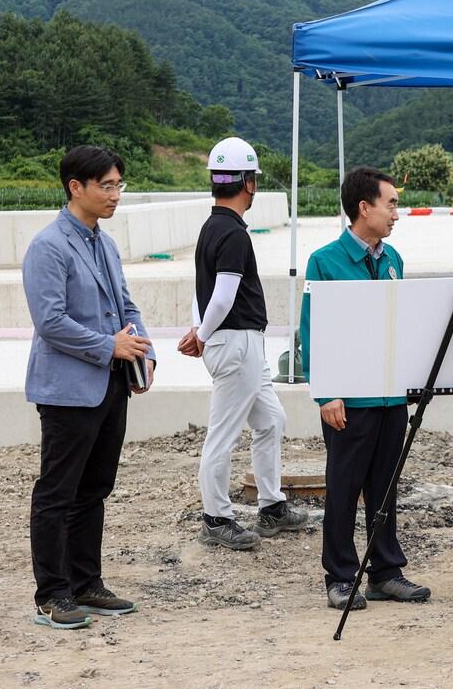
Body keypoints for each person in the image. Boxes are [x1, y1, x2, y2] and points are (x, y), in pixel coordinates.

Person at [23, 145, 154, 630]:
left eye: (119, 184)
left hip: (110, 385)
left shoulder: (105, 243)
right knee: (57, 492)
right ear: (75, 187)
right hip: (67, 390)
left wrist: (143, 351)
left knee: (94, 488)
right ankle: (52, 594)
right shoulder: (48, 246)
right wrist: (110, 347)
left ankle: (86, 583)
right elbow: (50, 321)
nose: (115, 194)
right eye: (107, 185)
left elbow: (126, 305)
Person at [301, 167, 431, 611]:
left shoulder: (392, 259)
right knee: (343, 486)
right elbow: (313, 330)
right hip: (349, 399)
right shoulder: (325, 261)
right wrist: (327, 393)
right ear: (364, 207)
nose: (397, 212)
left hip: (390, 395)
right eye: (391, 203)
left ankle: (386, 571)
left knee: (385, 486)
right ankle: (340, 575)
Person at [179, 138, 308, 551]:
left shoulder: (211, 227)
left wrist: (200, 331)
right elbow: (223, 294)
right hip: (237, 345)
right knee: (222, 434)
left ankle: (272, 506)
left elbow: (204, 292)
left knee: (271, 421)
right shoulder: (233, 234)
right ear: (248, 183)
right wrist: (201, 335)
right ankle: (216, 518)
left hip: (235, 343)